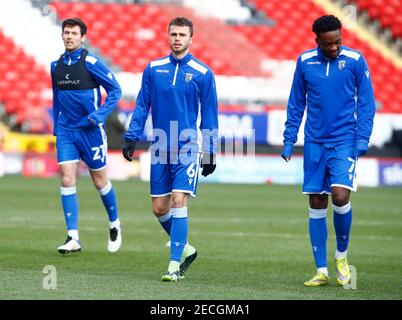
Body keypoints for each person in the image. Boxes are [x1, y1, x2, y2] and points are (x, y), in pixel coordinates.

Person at [281, 15, 376, 287]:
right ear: (317, 41)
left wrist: (362, 137)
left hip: (345, 139)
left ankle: (342, 258)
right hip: (314, 142)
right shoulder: (305, 62)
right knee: (316, 202)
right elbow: (296, 102)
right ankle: (321, 270)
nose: (334, 47)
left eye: (337, 42)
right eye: (327, 44)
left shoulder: (356, 61)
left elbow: (367, 102)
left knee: (339, 195)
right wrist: (289, 139)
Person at [122, 17, 218, 282]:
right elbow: (143, 104)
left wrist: (209, 150)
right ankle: (186, 248)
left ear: (191, 38)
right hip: (160, 146)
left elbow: (209, 115)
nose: (177, 38)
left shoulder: (203, 73)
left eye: (182, 35)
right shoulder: (153, 69)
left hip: (188, 146)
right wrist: (131, 136)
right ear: (168, 36)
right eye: (173, 34)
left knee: (179, 200)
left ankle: (174, 266)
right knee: (159, 208)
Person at [51, 18, 123, 254]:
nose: (69, 36)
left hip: (90, 132)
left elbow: (116, 90)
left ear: (83, 37)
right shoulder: (56, 66)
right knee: (67, 179)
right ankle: (73, 237)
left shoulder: (91, 62)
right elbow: (56, 97)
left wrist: (100, 115)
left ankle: (114, 223)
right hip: (66, 131)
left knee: (99, 181)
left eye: (74, 33)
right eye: (66, 33)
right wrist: (56, 126)